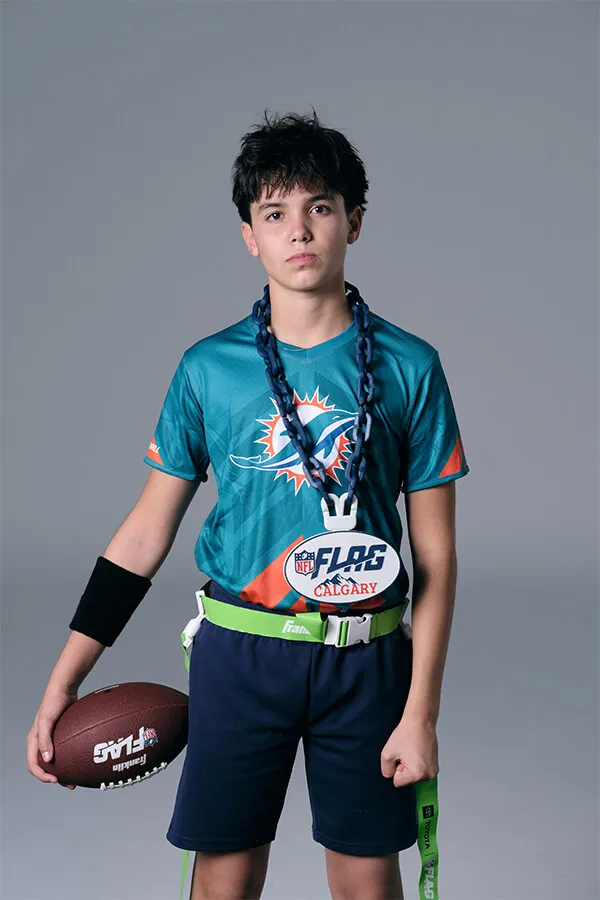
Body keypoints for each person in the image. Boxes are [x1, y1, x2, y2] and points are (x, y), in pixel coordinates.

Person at [27, 108, 469, 900]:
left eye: (319, 207)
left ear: (354, 222)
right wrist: (67, 677)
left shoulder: (411, 367)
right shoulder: (209, 369)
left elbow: (435, 560)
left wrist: (421, 713)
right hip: (242, 654)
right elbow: (142, 537)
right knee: (222, 884)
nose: (299, 231)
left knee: (370, 884)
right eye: (275, 213)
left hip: (366, 661)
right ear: (249, 235)